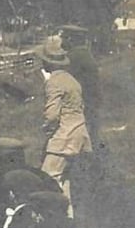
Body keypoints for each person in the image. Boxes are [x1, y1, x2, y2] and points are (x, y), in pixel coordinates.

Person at [34, 38, 93, 209]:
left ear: (47, 62)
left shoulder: (54, 82)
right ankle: (68, 219)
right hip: (80, 136)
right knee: (64, 180)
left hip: (64, 137)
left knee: (48, 179)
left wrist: (46, 129)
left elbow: (52, 115)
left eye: (42, 60)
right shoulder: (71, 80)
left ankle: (53, 223)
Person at [59, 25, 100, 145]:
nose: (62, 41)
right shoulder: (83, 52)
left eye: (64, 38)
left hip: (83, 99)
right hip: (90, 97)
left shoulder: (75, 56)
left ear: (71, 39)